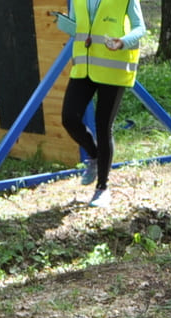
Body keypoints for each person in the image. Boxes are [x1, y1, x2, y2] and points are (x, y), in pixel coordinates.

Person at [53, 0, 146, 208]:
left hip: (114, 67)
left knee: (103, 126)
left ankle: (102, 188)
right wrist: (66, 24)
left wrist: (122, 41)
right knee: (69, 118)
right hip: (84, 66)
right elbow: (78, 26)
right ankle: (94, 155)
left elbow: (140, 28)